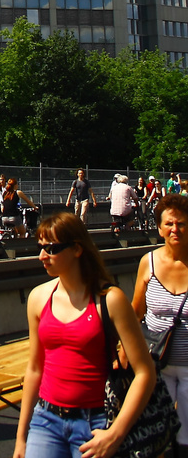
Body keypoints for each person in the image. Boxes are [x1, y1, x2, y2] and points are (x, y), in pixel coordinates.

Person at [13, 211, 155, 458]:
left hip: (95, 423)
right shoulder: (38, 298)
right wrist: (21, 437)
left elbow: (145, 372)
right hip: (46, 420)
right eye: (40, 247)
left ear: (77, 249)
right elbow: (35, 368)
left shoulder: (110, 299)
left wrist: (116, 433)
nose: (42, 256)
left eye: (51, 249)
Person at [132, 192, 188, 458]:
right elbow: (136, 312)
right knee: (154, 437)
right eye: (169, 224)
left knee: (186, 441)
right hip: (155, 366)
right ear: (159, 227)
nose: (175, 229)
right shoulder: (149, 262)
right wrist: (124, 349)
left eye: (181, 223)